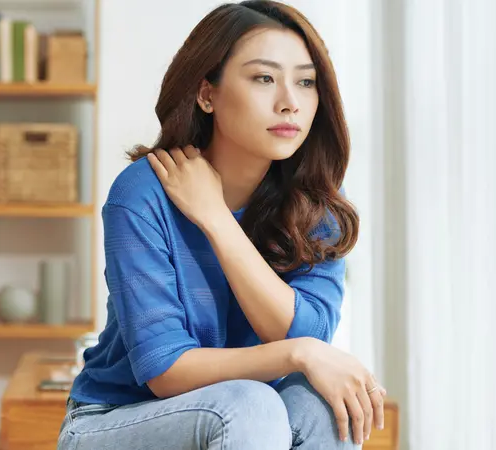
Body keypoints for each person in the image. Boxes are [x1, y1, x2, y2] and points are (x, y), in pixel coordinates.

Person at [59, 2, 386, 449]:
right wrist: (299, 353)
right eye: (264, 78)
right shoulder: (143, 193)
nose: (290, 101)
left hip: (250, 421)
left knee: (321, 406)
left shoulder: (319, 201)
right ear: (207, 94)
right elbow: (163, 369)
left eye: (306, 82)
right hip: (116, 419)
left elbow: (306, 334)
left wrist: (216, 220)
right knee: (251, 404)